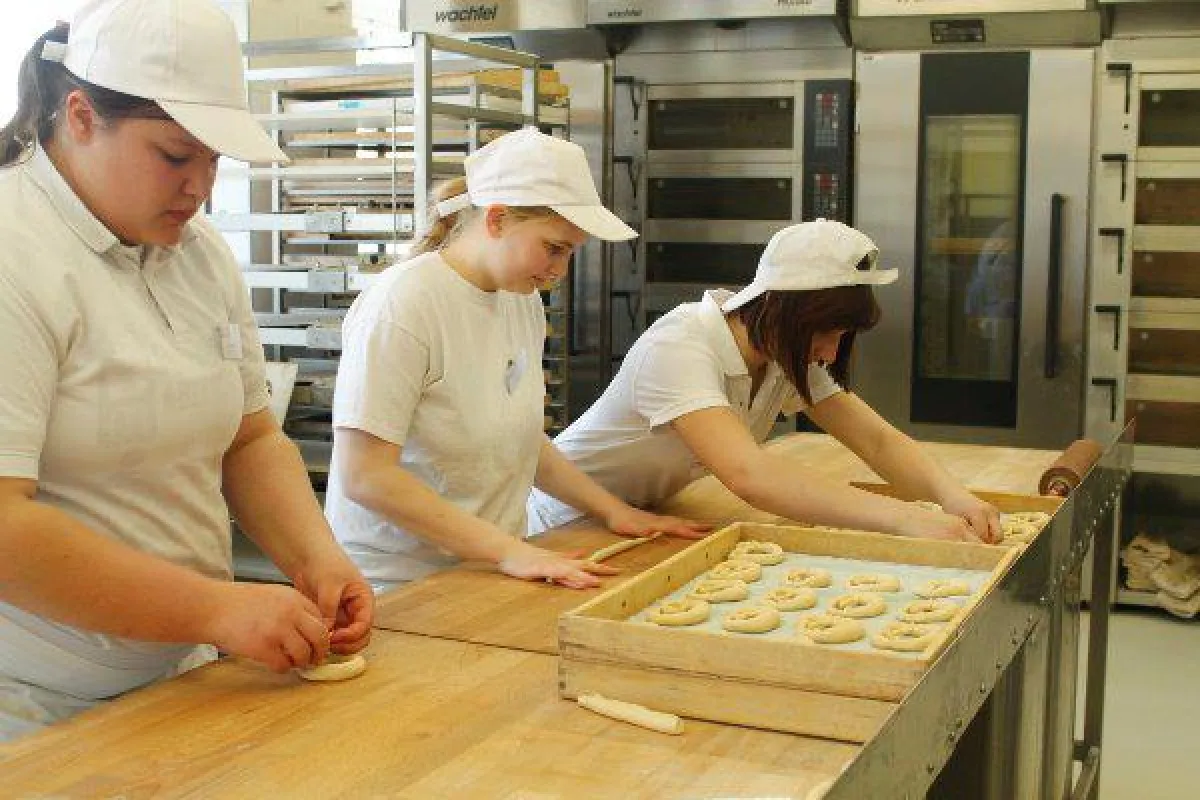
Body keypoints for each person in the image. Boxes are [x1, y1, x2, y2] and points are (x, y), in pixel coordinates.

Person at [0, 0, 373, 742]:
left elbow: (249, 440)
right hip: (39, 709)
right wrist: (215, 606)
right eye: (176, 155)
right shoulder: (16, 253)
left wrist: (317, 556)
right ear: (79, 115)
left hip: (186, 679)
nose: (200, 186)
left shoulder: (196, 254)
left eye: (215, 159)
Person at [326, 128, 707, 593]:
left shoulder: (520, 300)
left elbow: (523, 441)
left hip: (485, 566)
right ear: (497, 219)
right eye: (554, 248)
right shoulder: (402, 305)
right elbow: (366, 476)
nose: (559, 271)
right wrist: (510, 552)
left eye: (571, 252)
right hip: (396, 584)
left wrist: (613, 511)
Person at [528, 219, 1002, 543]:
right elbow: (749, 474)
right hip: (565, 522)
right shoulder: (682, 344)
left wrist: (952, 496)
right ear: (786, 313)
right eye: (826, 334)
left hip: (643, 520)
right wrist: (905, 519)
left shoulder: (781, 351)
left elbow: (876, 441)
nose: (830, 354)